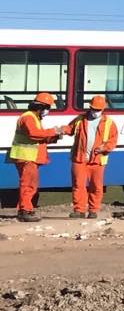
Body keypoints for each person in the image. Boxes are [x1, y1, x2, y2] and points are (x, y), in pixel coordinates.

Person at [8, 92, 65, 222]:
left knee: (29, 185)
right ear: (41, 107)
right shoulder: (29, 118)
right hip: (27, 157)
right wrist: (54, 131)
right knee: (28, 185)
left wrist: (55, 137)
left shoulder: (33, 117)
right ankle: (25, 211)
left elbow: (39, 138)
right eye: (48, 108)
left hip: (28, 157)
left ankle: (25, 209)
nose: (48, 111)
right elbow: (34, 134)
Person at [64, 95, 118, 219]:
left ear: (103, 110)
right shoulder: (80, 119)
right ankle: (79, 210)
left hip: (98, 160)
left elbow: (112, 141)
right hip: (79, 158)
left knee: (96, 186)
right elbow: (69, 129)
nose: (95, 112)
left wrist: (104, 148)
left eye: (98, 110)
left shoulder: (109, 123)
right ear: (90, 107)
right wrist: (59, 130)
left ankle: (93, 210)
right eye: (94, 109)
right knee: (78, 185)